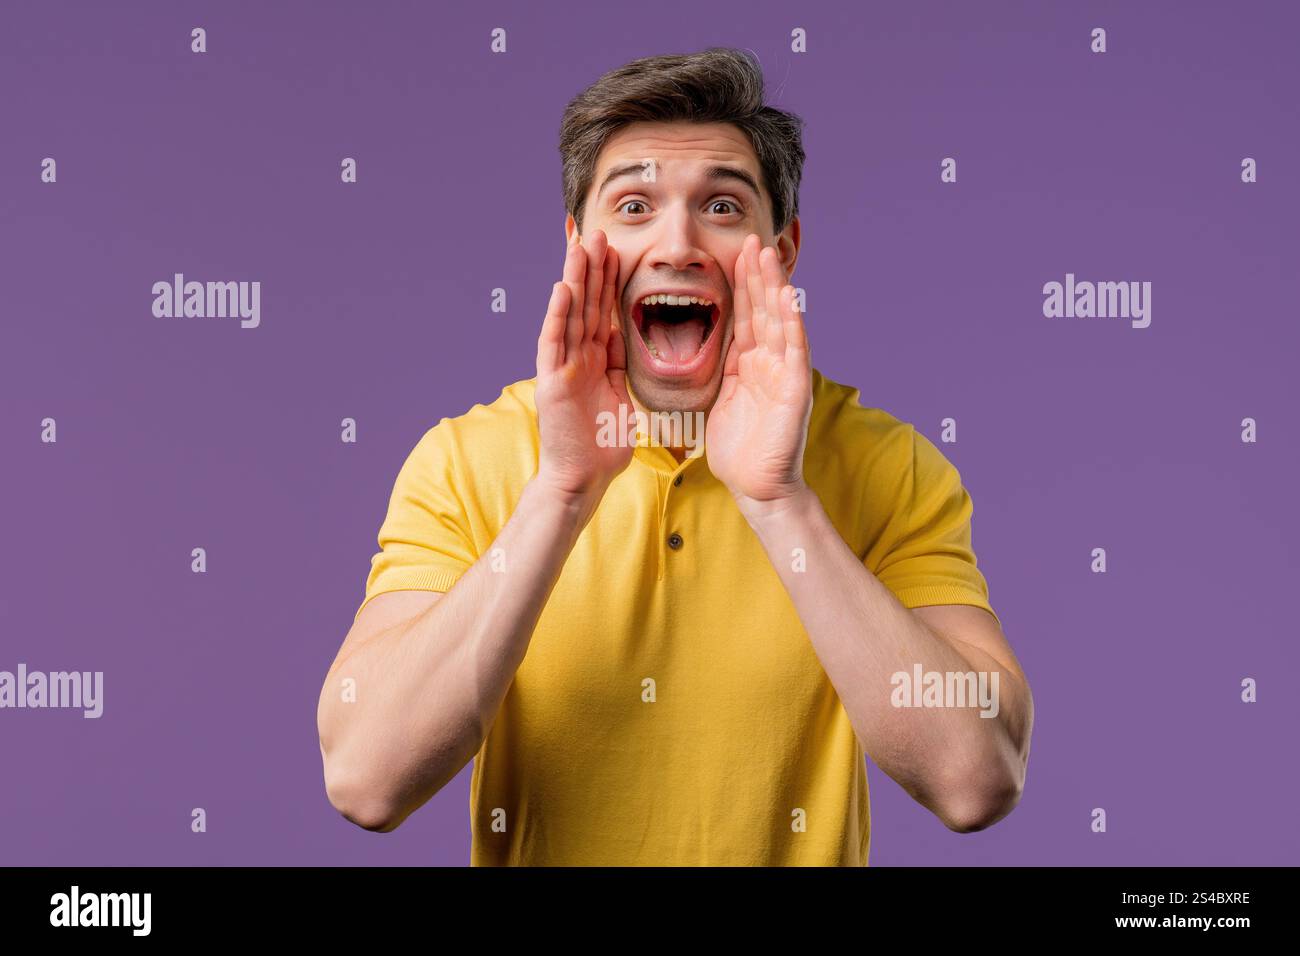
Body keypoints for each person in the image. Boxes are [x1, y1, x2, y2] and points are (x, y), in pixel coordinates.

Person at [316, 47, 1033, 866]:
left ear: (782, 251)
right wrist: (562, 491)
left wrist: (780, 502)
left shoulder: (889, 465)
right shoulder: (465, 461)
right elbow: (367, 779)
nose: (678, 244)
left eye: (723, 206)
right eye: (634, 206)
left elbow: (976, 779)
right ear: (578, 244)